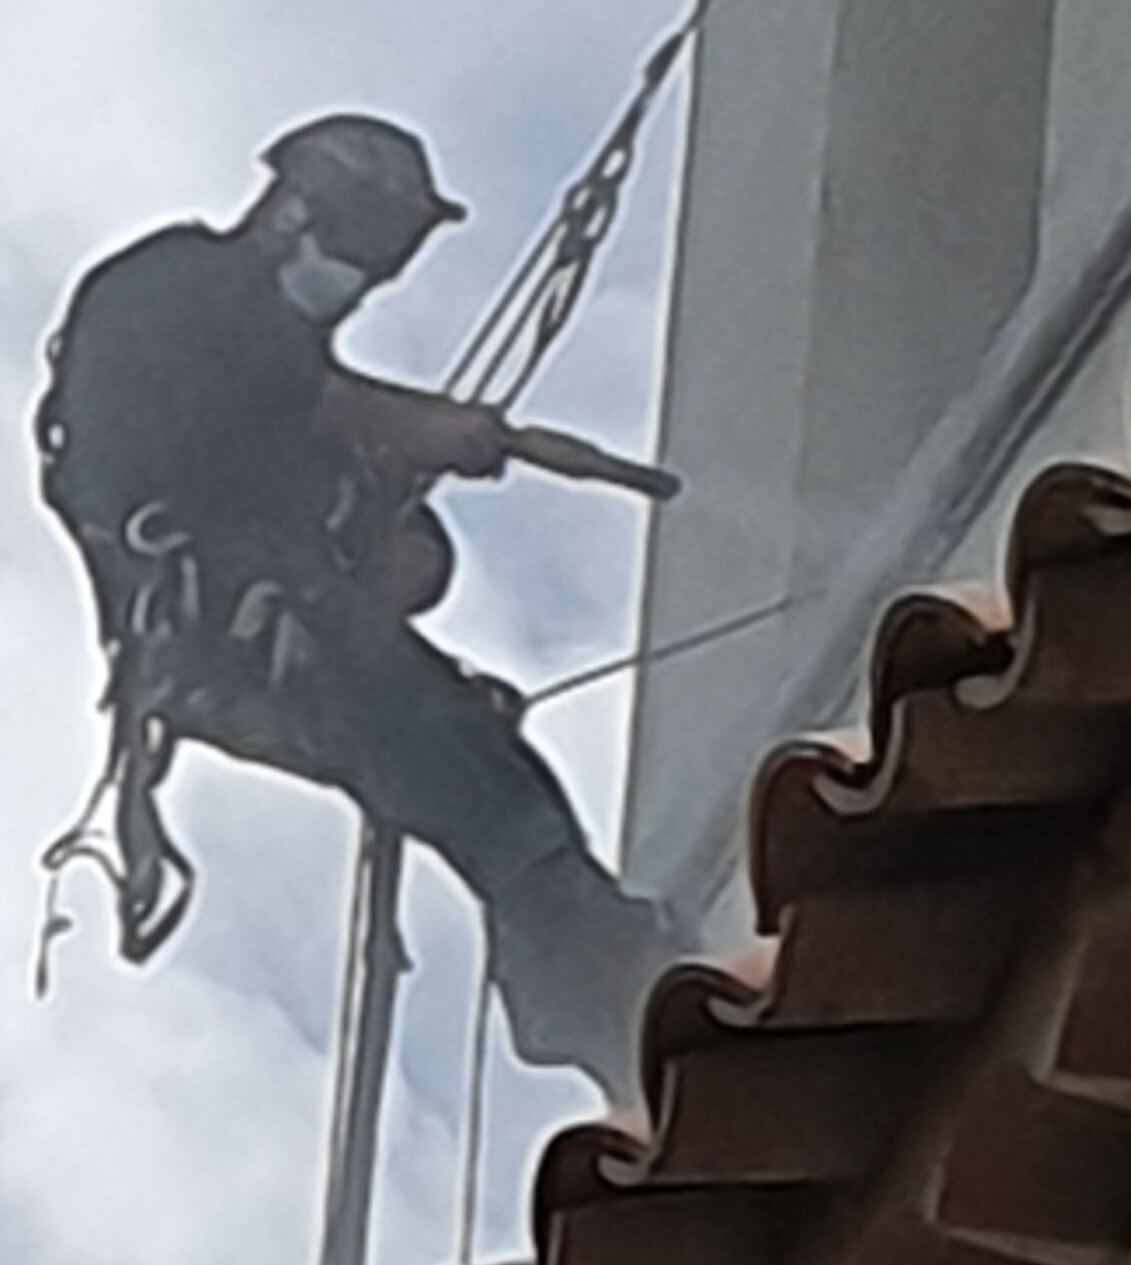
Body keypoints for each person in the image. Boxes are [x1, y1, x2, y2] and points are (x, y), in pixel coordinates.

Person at [35, 112, 685, 1103]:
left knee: (474, 748)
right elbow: (267, 374)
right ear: (294, 209)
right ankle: (588, 969)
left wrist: (392, 523)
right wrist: (431, 429)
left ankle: (590, 1000)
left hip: (288, 632)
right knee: (430, 735)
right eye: (366, 249)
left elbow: (399, 558)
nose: (368, 280)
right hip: (227, 631)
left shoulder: (287, 422)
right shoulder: (170, 288)